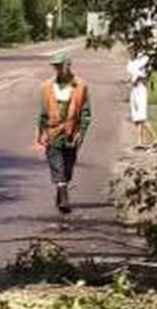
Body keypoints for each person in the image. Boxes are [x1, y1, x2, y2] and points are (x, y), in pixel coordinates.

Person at [33, 51, 91, 213]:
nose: (57, 69)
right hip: (53, 132)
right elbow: (43, 113)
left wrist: (82, 132)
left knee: (68, 167)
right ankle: (64, 198)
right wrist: (39, 135)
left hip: (71, 133)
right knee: (57, 164)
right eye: (55, 66)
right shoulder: (47, 86)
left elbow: (86, 113)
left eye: (60, 66)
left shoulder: (81, 86)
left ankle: (60, 191)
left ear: (68, 65)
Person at [126, 50, 157, 150]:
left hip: (141, 89)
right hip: (134, 90)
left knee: (142, 116)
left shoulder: (144, 60)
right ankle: (140, 141)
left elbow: (144, 75)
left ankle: (156, 138)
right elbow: (130, 75)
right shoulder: (131, 62)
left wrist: (138, 78)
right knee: (136, 116)